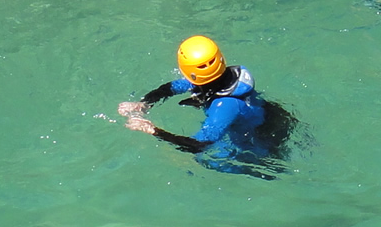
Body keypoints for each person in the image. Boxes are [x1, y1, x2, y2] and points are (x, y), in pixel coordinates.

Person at [120, 36, 296, 176]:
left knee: (209, 160)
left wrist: (153, 130)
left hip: (260, 141)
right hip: (270, 115)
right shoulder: (220, 77)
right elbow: (172, 87)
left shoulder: (224, 106)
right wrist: (143, 104)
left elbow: (200, 145)